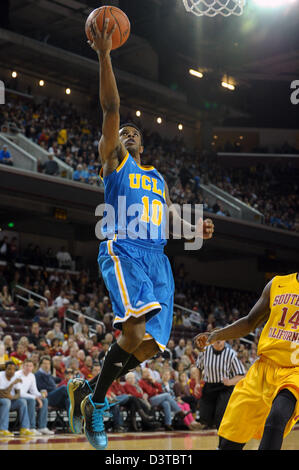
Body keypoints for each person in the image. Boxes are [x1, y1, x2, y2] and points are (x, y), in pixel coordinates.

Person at [67, 17, 214, 450]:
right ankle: (95, 402)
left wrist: (196, 226)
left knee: (148, 348)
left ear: (144, 145)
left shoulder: (158, 178)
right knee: (131, 335)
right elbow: (111, 108)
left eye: (134, 133)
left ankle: (88, 395)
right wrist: (105, 55)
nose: (125, 132)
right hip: (124, 248)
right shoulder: (115, 162)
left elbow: (168, 217)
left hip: (158, 259)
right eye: (122, 132)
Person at [194, 272, 299, 451]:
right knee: (229, 441)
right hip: (263, 367)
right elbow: (250, 321)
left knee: (277, 417)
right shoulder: (278, 283)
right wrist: (216, 335)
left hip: (294, 372)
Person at [195, 332, 245, 432]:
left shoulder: (231, 354)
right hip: (209, 386)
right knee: (204, 417)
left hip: (224, 388)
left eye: (221, 340)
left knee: (220, 416)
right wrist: (197, 383)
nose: (219, 343)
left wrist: (230, 382)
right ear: (212, 341)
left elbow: (241, 375)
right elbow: (198, 368)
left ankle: (222, 442)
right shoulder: (205, 351)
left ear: (225, 340)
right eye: (217, 341)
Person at [15, 358, 54, 435]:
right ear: (22, 366)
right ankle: (31, 427)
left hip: (26, 396)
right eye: (26, 366)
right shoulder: (17, 375)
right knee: (31, 400)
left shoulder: (32, 376)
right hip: (17, 397)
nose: (28, 368)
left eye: (30, 366)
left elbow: (34, 391)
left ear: (33, 367)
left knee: (44, 400)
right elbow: (20, 393)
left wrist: (41, 395)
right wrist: (35, 397)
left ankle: (42, 427)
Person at [0, 361, 34, 436]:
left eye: (13, 369)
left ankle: (24, 428)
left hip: (8, 400)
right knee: (6, 401)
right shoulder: (0, 376)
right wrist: (12, 384)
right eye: (9, 369)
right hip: (2, 400)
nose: (11, 371)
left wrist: (13, 397)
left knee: (22, 401)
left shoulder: (15, 376)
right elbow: (2, 393)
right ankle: (3, 429)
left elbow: (18, 394)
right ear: (5, 369)